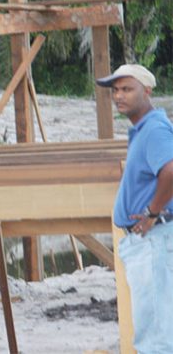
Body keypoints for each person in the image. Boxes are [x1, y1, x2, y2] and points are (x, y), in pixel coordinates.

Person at [96, 64, 173, 353]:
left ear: (148, 90)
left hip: (154, 240)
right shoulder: (144, 128)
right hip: (149, 241)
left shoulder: (153, 129)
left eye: (127, 89)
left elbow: (171, 170)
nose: (119, 96)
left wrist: (153, 212)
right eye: (115, 90)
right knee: (157, 327)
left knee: (155, 336)